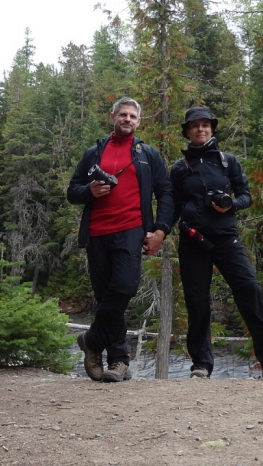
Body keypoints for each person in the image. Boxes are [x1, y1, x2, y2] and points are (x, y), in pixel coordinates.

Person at [171, 106, 263, 381]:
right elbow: (173, 205)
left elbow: (246, 196)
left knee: (250, 290)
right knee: (197, 302)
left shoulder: (229, 162)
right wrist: (160, 230)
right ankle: (201, 365)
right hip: (193, 240)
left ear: (212, 129)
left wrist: (231, 206)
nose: (201, 129)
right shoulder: (179, 169)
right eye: (195, 126)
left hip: (227, 237)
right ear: (187, 131)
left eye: (205, 125)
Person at [67, 97, 174, 383]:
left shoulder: (147, 155)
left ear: (139, 122)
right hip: (96, 233)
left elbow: (166, 192)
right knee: (106, 298)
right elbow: (72, 191)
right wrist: (89, 191)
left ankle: (91, 340)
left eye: (133, 116)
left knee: (124, 287)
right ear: (113, 116)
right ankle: (117, 360)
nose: (127, 119)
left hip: (132, 230)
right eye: (123, 114)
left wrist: (161, 230)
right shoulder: (93, 153)